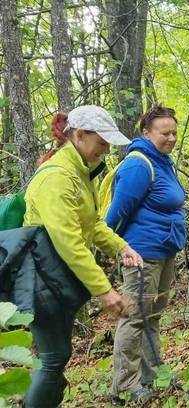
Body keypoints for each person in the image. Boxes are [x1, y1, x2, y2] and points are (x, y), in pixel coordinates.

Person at [23, 106, 144, 407]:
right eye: (102, 142)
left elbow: (92, 225)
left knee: (56, 356)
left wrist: (121, 247)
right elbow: (69, 243)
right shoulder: (57, 177)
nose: (106, 150)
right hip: (39, 278)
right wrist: (104, 290)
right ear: (79, 135)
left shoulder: (80, 172)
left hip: (56, 278)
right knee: (53, 358)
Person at [105, 106, 186, 403]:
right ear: (146, 132)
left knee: (152, 316)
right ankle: (125, 385)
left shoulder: (164, 162)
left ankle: (152, 375)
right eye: (164, 133)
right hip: (141, 255)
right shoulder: (138, 165)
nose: (171, 138)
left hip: (164, 251)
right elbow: (116, 214)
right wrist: (115, 249)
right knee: (134, 317)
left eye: (174, 132)